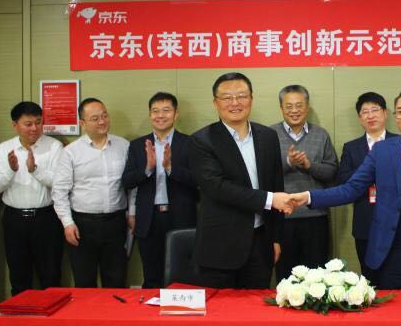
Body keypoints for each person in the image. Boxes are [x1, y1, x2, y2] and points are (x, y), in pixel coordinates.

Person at [282, 87, 401, 290]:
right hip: (390, 254)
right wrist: (308, 197)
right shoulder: (382, 150)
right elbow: (351, 189)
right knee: (391, 309)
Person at [189, 72, 289, 289]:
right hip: (220, 246)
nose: (235, 103)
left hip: (261, 244)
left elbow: (276, 184)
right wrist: (269, 199)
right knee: (220, 308)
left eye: (242, 96)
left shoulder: (268, 136)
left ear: (251, 99)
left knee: (255, 307)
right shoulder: (201, 140)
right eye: (227, 97)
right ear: (215, 103)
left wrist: (276, 238)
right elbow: (217, 187)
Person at [51, 98, 130, 288]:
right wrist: (67, 223)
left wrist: (132, 213)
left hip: (116, 222)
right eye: (95, 118)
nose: (102, 121)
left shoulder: (124, 146)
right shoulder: (71, 152)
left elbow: (132, 185)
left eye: (104, 115)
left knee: (117, 281)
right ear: (82, 123)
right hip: (83, 225)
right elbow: (59, 191)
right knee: (85, 282)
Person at [122, 92, 197, 289]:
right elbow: (126, 181)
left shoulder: (190, 143)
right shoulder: (137, 145)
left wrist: (171, 169)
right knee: (151, 276)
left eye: (166, 110)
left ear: (176, 114)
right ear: (149, 115)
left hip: (181, 216)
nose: (160, 115)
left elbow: (199, 181)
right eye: (155, 111)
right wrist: (147, 169)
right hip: (149, 218)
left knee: (181, 277)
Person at [0, 101, 64, 296]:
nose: (34, 128)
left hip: (46, 218)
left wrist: (35, 170)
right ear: (15, 125)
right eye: (28, 124)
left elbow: (60, 183)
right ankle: (21, 315)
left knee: (51, 277)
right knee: (19, 277)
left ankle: (53, 316)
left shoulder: (54, 147)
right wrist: (10, 170)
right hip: (14, 219)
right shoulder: (3, 149)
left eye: (38, 122)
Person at [270, 85, 338, 280]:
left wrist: (309, 165)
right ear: (281, 107)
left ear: (307, 107)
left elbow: (332, 171)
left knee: (317, 276)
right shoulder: (268, 134)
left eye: (299, 105)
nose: (294, 110)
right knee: (286, 276)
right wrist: (288, 162)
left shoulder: (321, 134)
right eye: (289, 106)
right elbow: (263, 173)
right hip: (281, 217)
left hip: (315, 216)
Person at [337, 92, 399, 282]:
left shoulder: (400, 142)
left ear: (385, 113)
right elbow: (344, 179)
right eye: (365, 112)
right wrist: (372, 171)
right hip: (365, 220)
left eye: (375, 110)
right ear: (359, 118)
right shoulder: (351, 147)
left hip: (396, 221)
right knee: (369, 278)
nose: (370, 115)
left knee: (396, 276)